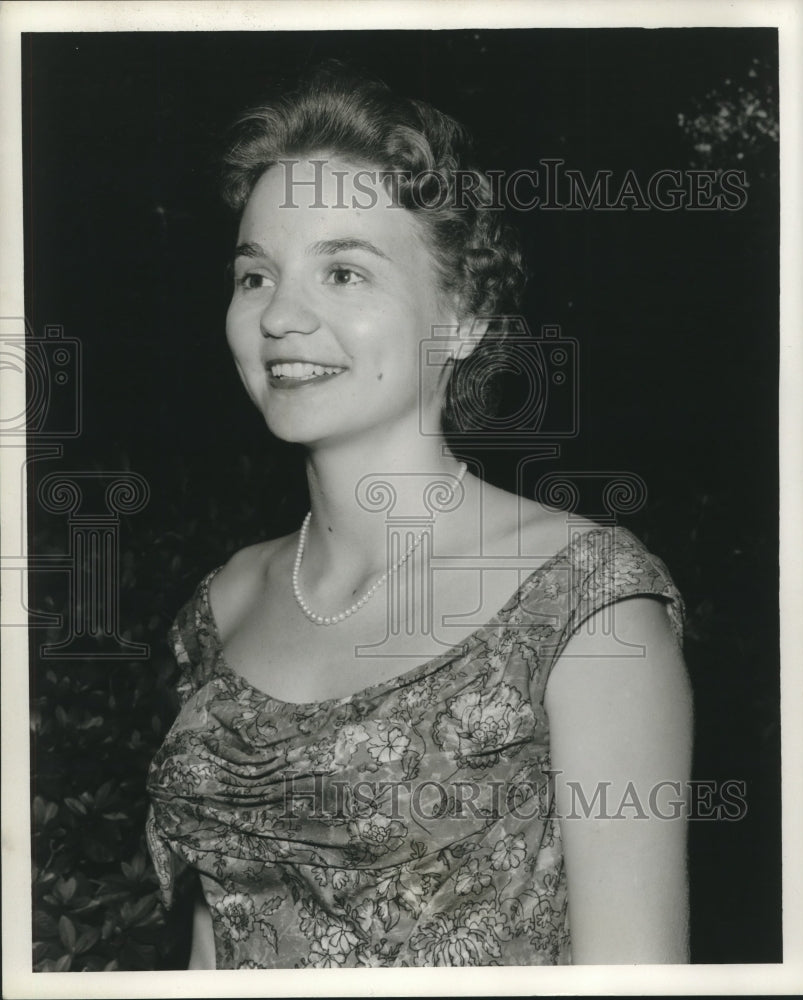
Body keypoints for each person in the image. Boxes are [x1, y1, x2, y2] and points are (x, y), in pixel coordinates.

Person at [146, 64, 692, 969]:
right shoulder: (224, 604)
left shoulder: (586, 605)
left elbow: (636, 974)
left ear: (464, 317)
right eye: (255, 276)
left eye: (345, 271)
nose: (281, 314)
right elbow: (216, 941)